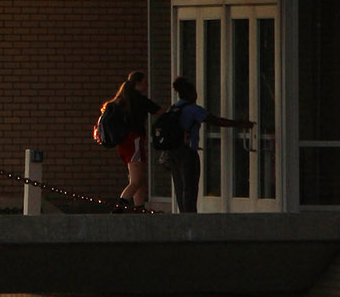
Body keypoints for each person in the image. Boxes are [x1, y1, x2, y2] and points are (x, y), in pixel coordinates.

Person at [162, 75, 254, 213]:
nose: (197, 95)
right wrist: (240, 124)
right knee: (190, 187)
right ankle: (190, 217)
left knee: (179, 186)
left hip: (172, 153)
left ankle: (182, 216)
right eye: (195, 93)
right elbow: (215, 121)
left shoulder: (174, 108)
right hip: (187, 153)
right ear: (191, 94)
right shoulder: (193, 109)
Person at [104, 70, 159, 209]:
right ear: (138, 83)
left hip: (123, 143)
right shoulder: (138, 100)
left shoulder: (121, 100)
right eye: (145, 82)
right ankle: (120, 206)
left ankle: (140, 207)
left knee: (138, 177)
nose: (147, 85)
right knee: (136, 180)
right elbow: (159, 112)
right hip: (134, 140)